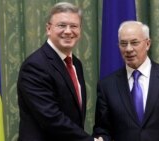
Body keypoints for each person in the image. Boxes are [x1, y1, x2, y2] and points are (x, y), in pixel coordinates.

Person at [93, 21, 159, 141]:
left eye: (134, 42)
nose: (128, 49)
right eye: (123, 44)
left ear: (147, 43)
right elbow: (102, 130)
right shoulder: (107, 86)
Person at [17, 2, 100, 141]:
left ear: (80, 30)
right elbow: (51, 118)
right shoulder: (35, 66)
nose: (68, 31)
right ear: (48, 29)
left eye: (74, 26)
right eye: (61, 25)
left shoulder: (76, 64)